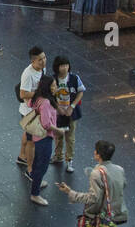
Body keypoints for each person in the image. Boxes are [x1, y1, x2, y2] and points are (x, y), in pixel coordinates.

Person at [23, 76, 64, 205]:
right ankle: (35, 194)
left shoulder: (38, 98)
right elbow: (46, 124)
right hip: (45, 137)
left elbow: (28, 103)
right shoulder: (46, 102)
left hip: (37, 136)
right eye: (53, 85)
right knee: (42, 165)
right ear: (47, 87)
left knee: (37, 161)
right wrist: (59, 131)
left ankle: (36, 181)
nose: (55, 87)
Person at [49, 56, 85, 173]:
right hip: (57, 113)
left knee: (70, 137)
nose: (65, 68)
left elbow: (81, 92)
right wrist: (57, 108)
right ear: (57, 67)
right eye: (62, 66)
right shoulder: (53, 79)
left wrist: (72, 107)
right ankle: (58, 156)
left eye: (66, 65)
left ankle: (69, 159)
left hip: (71, 113)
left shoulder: (74, 78)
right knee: (58, 135)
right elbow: (49, 96)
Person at [16, 47, 47, 168]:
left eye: (44, 57)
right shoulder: (28, 74)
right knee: (32, 140)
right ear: (33, 61)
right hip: (29, 112)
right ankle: (30, 168)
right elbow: (23, 94)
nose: (44, 61)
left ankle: (22, 156)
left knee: (28, 134)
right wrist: (40, 93)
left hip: (37, 109)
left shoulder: (42, 68)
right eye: (40, 59)